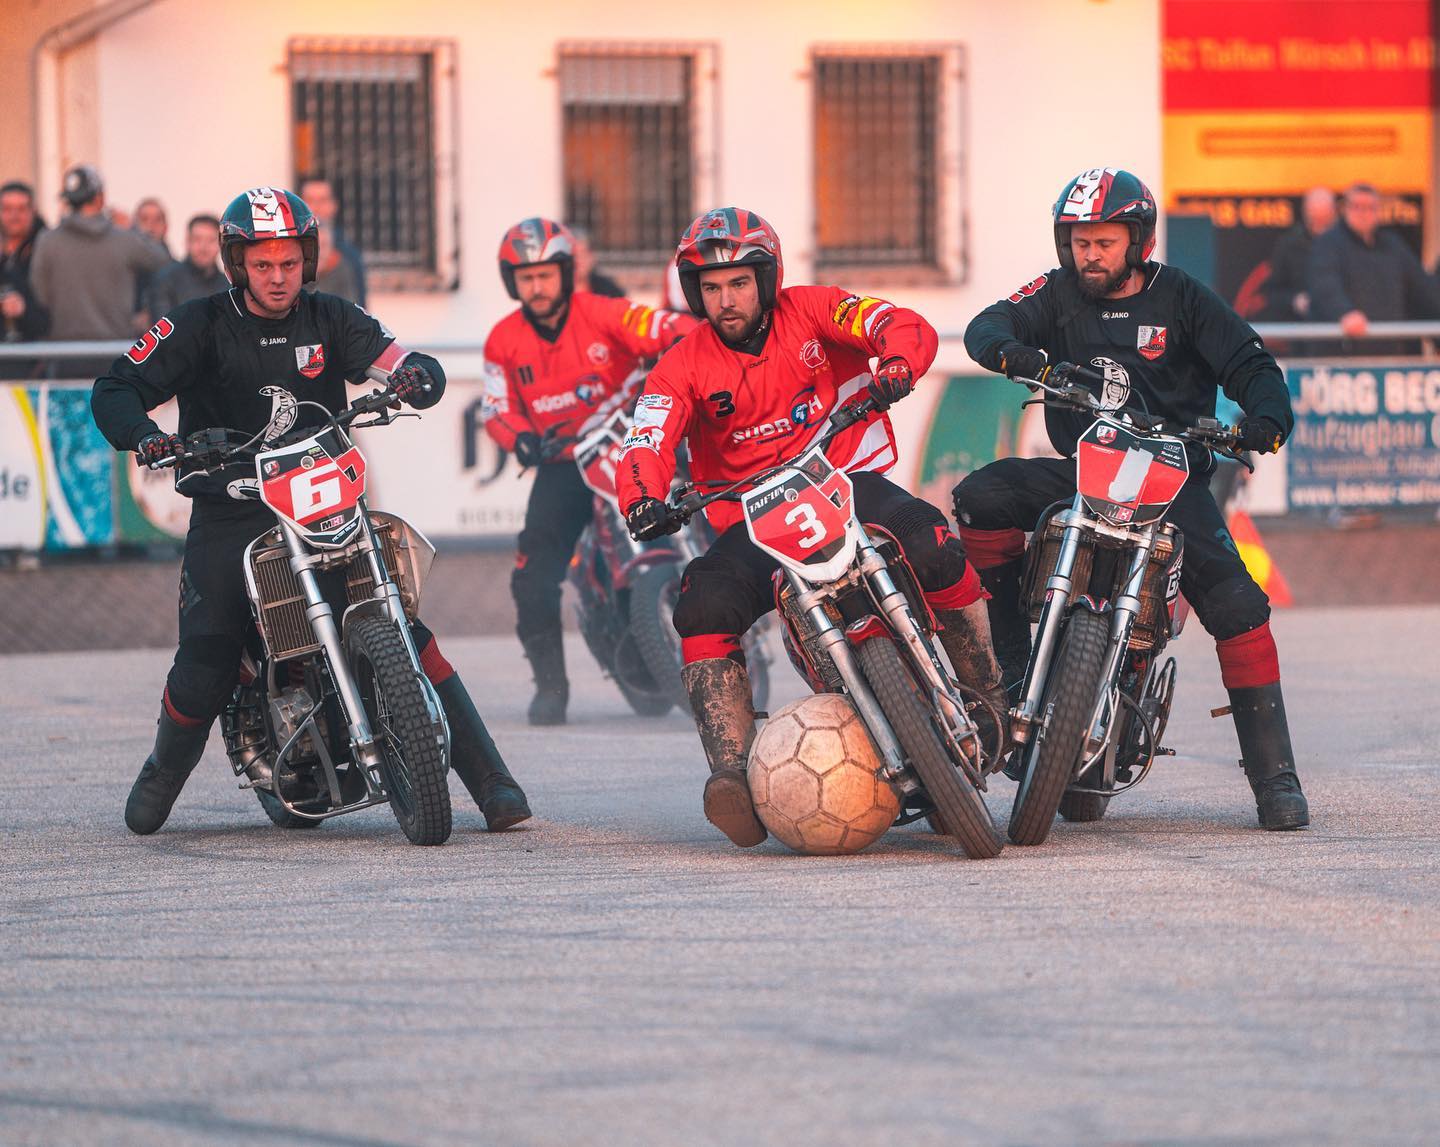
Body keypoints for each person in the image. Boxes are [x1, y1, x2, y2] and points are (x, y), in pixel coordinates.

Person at [91, 186, 529, 836]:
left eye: (289, 263)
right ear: (238, 264)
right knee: (206, 664)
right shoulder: (198, 323)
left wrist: (418, 375)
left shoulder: (332, 317)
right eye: (263, 264)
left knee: (403, 627)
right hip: (232, 508)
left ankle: (494, 783)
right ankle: (162, 772)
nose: (277, 277)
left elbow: (395, 358)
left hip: (321, 500)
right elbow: (116, 387)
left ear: (308, 259)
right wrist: (146, 437)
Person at [615, 207, 1007, 848]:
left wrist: (898, 367)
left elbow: (896, 323)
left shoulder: (817, 308)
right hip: (754, 515)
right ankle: (733, 771)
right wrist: (641, 499)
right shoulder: (679, 364)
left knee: (929, 539)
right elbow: (647, 439)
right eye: (710, 290)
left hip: (845, 479)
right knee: (702, 601)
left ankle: (983, 689)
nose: (726, 300)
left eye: (738, 283)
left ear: (766, 280)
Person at [953, 167, 1308, 831]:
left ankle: (1276, 779)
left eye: (1104, 240)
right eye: (1080, 240)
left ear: (1136, 240)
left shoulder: (1183, 298)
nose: (1090, 253)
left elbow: (1252, 364)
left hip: (1172, 480)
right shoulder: (1055, 295)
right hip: (1086, 469)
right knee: (980, 497)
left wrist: (1265, 418)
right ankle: (1008, 662)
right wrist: (1023, 357)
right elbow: (986, 325)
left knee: (1239, 604)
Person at [480, 217, 697, 724]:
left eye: (545, 275)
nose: (537, 287)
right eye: (525, 278)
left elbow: (662, 326)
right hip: (563, 464)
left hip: (630, 441)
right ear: (513, 282)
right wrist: (521, 439)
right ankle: (550, 686)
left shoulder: (603, 312)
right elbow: (495, 410)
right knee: (532, 574)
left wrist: (692, 336)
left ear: (564, 272)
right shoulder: (501, 341)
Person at [29, 165, 171, 371]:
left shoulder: (47, 241)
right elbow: (163, 260)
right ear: (100, 198)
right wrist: (132, 227)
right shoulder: (125, 239)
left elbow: (40, 295)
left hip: (64, 355)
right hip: (115, 352)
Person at [1308, 182, 1440, 356]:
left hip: (1392, 351)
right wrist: (1344, 312)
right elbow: (1325, 284)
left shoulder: (1392, 245)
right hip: (1346, 357)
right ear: (1345, 209)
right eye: (1357, 207)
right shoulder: (1329, 243)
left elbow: (1423, 288)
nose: (1364, 214)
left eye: (1370, 208)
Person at [1263, 187, 1335, 321]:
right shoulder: (1289, 244)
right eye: (1314, 221)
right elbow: (1271, 293)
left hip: (1342, 327)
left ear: (1333, 214)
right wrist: (1294, 301)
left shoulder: (1345, 243)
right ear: (1305, 213)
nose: (1319, 229)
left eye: (1324, 222)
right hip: (1302, 329)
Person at [143, 214, 227, 322]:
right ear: (187, 242)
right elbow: (164, 328)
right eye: (197, 239)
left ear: (221, 244)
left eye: (211, 240)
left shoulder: (228, 285)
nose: (203, 247)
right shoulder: (165, 280)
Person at [0, 181, 51, 355]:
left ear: (32, 211)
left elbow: (54, 313)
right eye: (7, 209)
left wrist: (25, 309)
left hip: (37, 360)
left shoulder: (47, 251)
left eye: (21, 209)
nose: (14, 216)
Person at [298, 178, 367, 306]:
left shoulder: (349, 256)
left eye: (322, 201)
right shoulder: (287, 249)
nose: (316, 207)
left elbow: (361, 309)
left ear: (333, 205)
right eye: (309, 200)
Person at [567, 223, 625, 298]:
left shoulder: (608, 289)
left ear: (592, 257)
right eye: (573, 255)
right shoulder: (555, 292)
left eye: (582, 254)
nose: (577, 261)